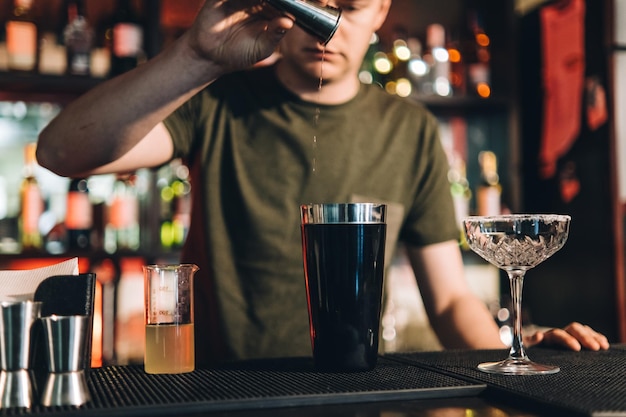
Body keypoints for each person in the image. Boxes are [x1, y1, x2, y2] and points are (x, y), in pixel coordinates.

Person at [36, 0, 609, 366]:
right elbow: (62, 152)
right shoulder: (217, 102)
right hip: (219, 392)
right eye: (312, 7)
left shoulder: (407, 129)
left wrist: (511, 347)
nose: (326, 30)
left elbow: (451, 296)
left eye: (350, 8)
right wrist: (197, 55)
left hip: (354, 391)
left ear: (382, 10)